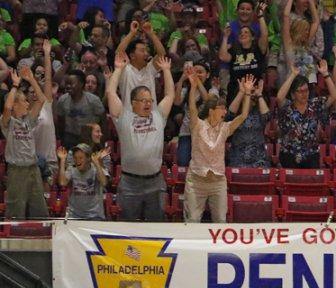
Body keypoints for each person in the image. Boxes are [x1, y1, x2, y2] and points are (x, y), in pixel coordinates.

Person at [106, 52, 175, 222]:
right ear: (133, 103)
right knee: (127, 227)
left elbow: (170, 95)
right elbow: (111, 93)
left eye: (150, 100)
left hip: (155, 181)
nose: (148, 103)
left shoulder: (158, 115)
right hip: (130, 183)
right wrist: (118, 69)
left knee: (156, 226)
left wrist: (166, 70)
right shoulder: (123, 117)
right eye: (143, 100)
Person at [184, 72, 253, 223]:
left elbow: (243, 116)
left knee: (221, 221)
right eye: (221, 108)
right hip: (196, 181)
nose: (225, 111)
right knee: (193, 220)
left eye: (225, 109)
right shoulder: (197, 125)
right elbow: (192, 108)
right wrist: (193, 87)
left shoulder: (225, 128)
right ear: (211, 111)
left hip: (218, 182)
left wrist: (247, 92)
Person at [1, 66, 49, 219]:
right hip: (17, 171)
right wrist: (15, 85)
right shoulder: (8, 123)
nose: (28, 104)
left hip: (33, 169)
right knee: (16, 211)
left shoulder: (29, 120)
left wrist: (31, 79)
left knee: (39, 210)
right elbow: (7, 106)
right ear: (15, 105)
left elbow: (42, 100)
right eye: (24, 101)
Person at [276, 59, 336, 168]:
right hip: (289, 155)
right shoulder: (287, 107)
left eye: (306, 91)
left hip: (311, 155)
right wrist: (293, 75)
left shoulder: (315, 104)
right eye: (300, 91)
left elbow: (334, 96)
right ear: (292, 94)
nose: (304, 94)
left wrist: (325, 74)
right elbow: (279, 97)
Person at [56, 143, 109, 220]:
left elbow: (104, 182)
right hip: (74, 216)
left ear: (88, 158)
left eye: (81, 158)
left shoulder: (96, 169)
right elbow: (62, 183)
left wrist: (97, 163)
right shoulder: (71, 169)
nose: (77, 161)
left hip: (95, 216)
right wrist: (62, 160)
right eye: (75, 158)